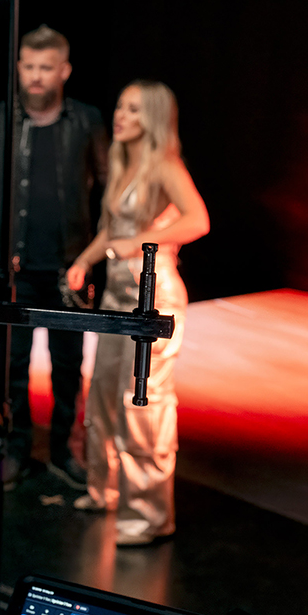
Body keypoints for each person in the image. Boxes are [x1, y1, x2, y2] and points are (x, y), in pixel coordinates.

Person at [0, 24, 108, 489]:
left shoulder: (86, 121)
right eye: (29, 66)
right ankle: (14, 450)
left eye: (45, 67)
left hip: (69, 269)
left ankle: (64, 449)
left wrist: (103, 250)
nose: (36, 76)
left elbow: (107, 187)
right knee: (12, 367)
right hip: (10, 269)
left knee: (68, 365)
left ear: (64, 70)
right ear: (19, 67)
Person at [66, 80, 209, 546]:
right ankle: (103, 489)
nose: (119, 116)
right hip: (116, 297)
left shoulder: (165, 165)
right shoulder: (124, 164)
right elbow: (110, 230)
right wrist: (84, 261)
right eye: (120, 106)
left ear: (153, 117)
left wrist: (145, 240)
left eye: (133, 109)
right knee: (104, 390)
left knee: (141, 401)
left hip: (155, 295)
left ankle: (148, 515)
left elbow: (198, 220)